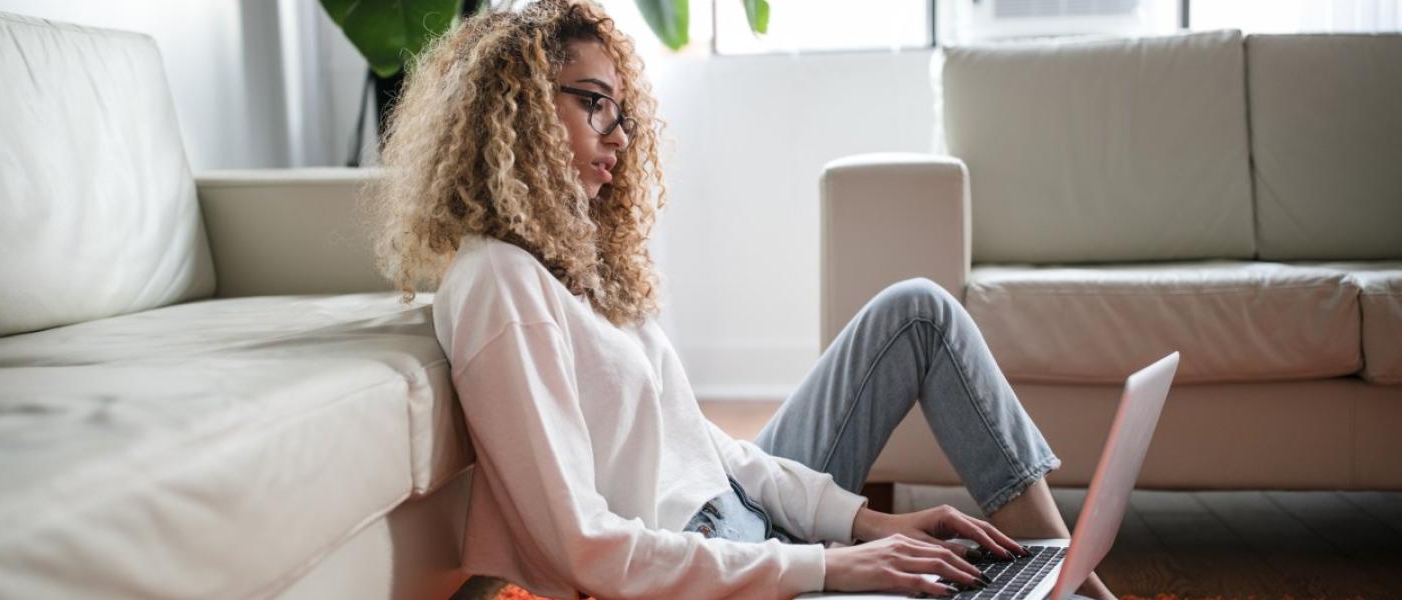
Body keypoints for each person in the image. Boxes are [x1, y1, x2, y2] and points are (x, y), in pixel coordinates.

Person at [371, 1, 1116, 598]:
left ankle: (1061, 575)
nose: (620, 136)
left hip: (748, 524)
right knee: (930, 585)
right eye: (594, 104)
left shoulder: (578, 265)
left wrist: (862, 523)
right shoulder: (499, 283)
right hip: (706, 564)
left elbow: (705, 446)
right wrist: (828, 566)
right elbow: (582, 548)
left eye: (621, 113)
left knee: (918, 312)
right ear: (521, 108)